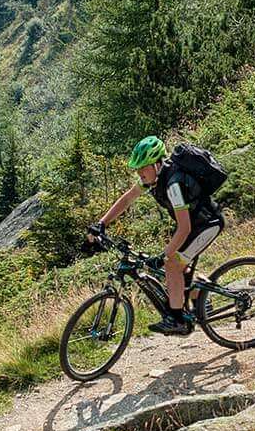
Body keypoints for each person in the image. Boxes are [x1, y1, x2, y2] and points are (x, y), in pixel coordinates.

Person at [92, 136, 226, 335]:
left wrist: (163, 257)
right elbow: (128, 198)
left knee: (172, 264)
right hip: (194, 225)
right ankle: (200, 295)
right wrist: (101, 223)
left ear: (156, 164)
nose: (139, 172)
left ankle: (178, 320)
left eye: (143, 167)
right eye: (137, 168)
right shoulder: (154, 180)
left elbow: (184, 229)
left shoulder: (174, 185)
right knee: (178, 266)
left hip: (207, 225)